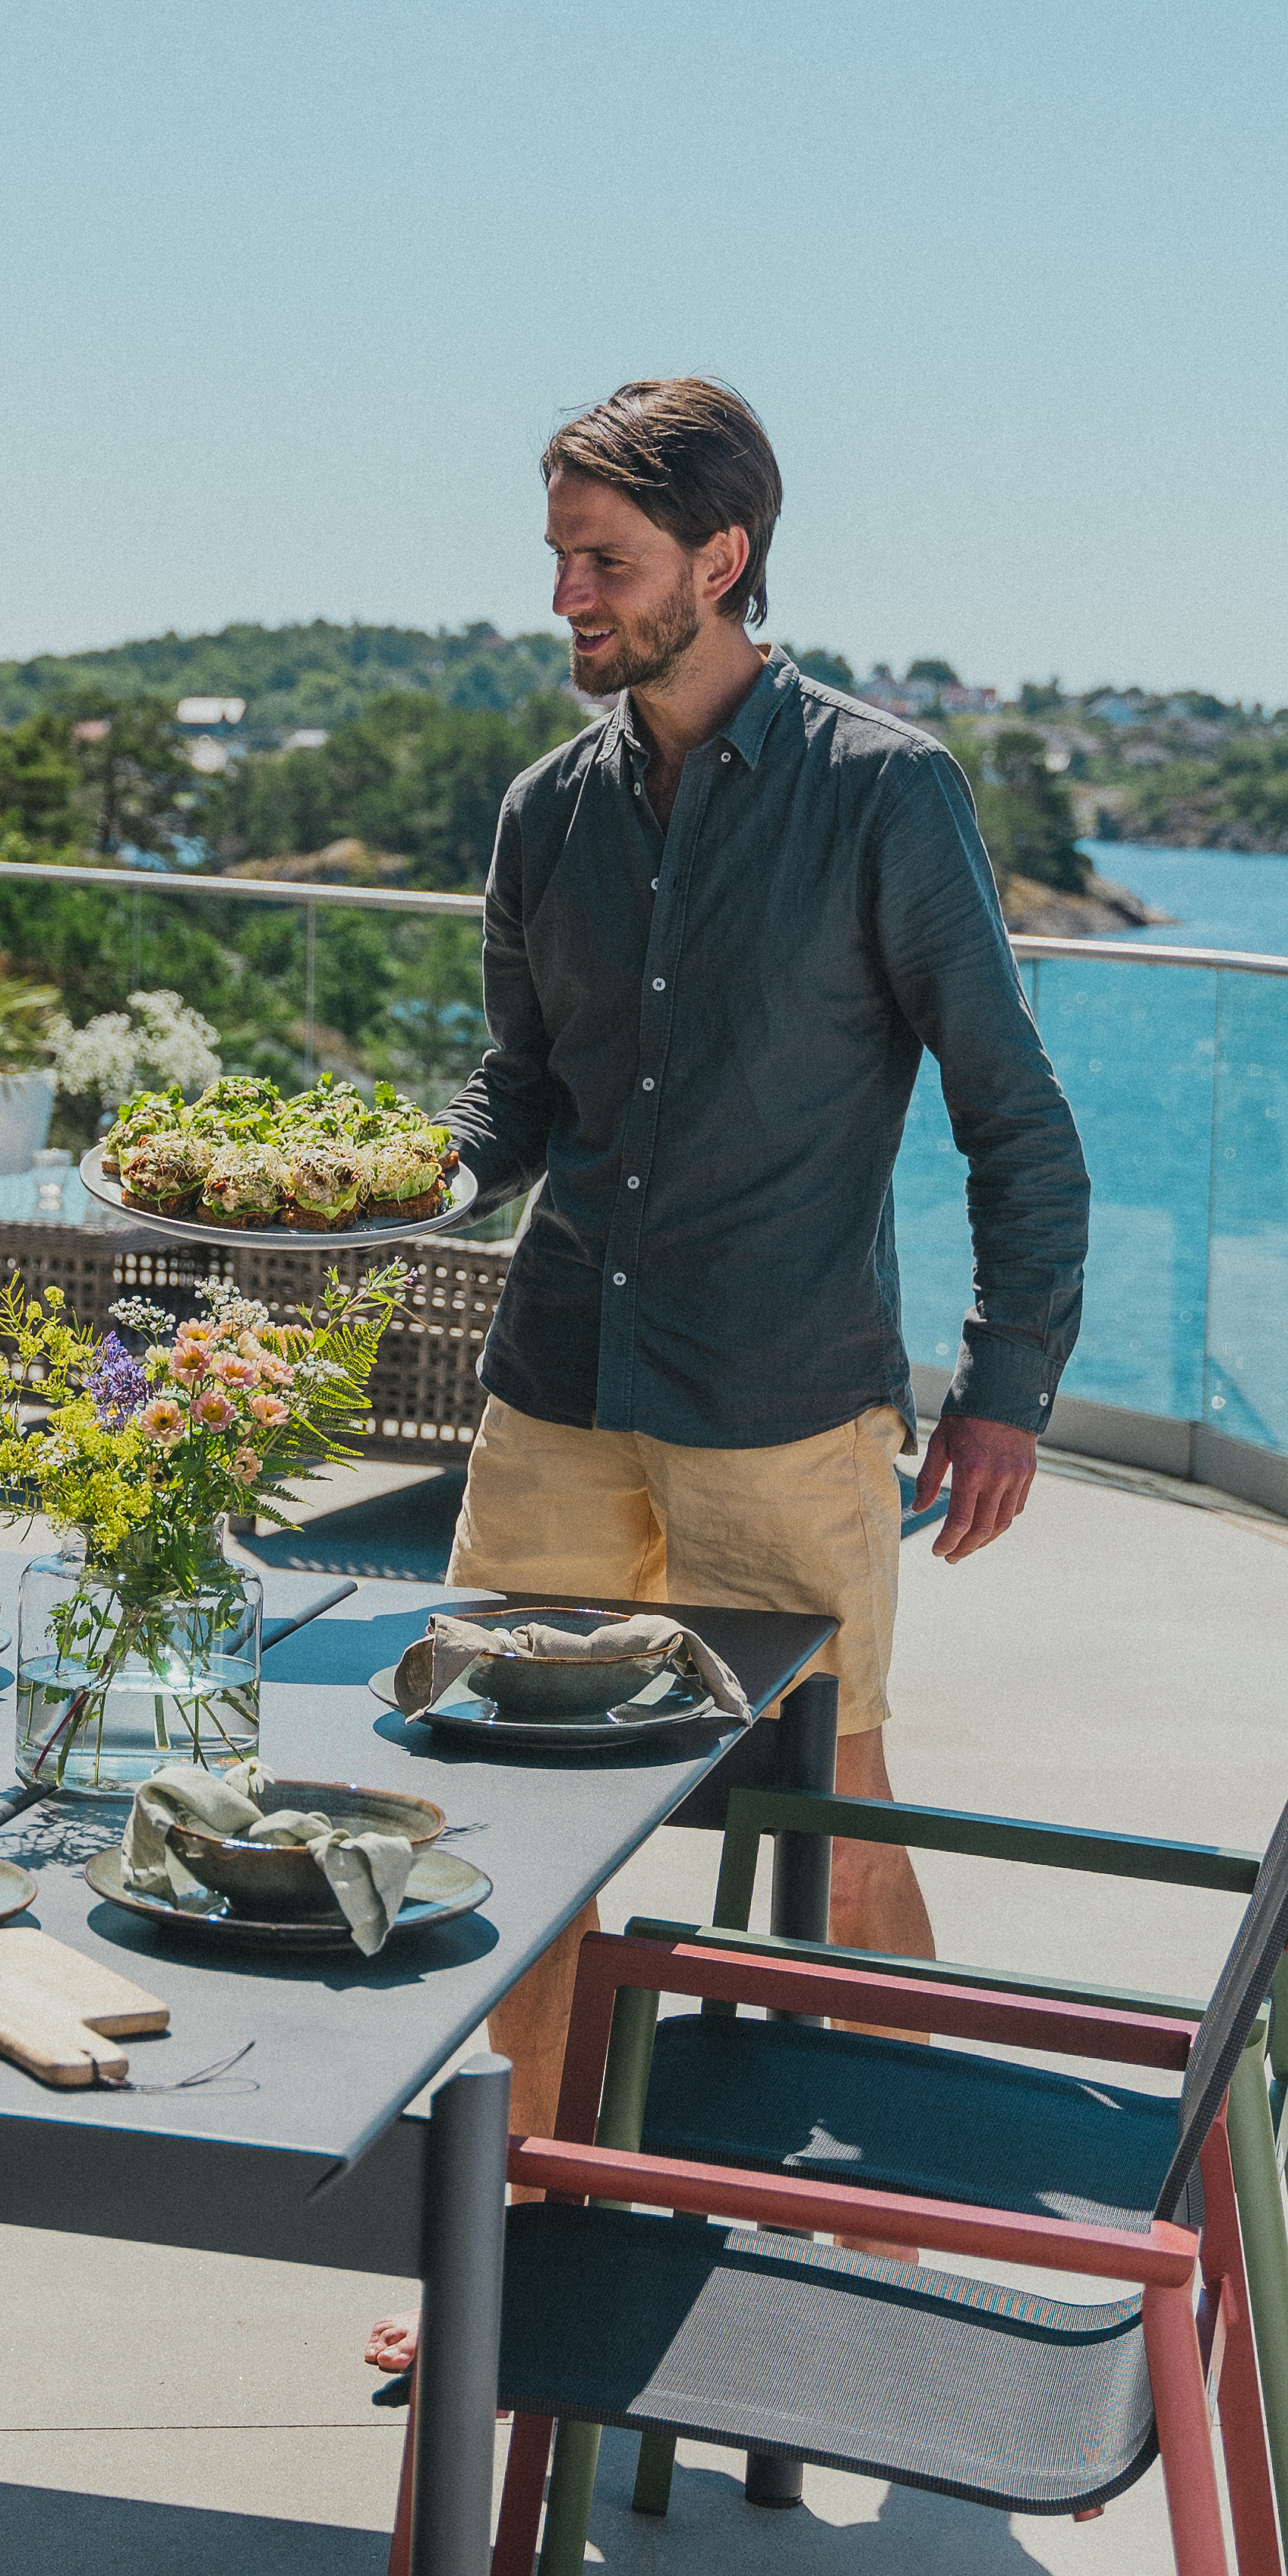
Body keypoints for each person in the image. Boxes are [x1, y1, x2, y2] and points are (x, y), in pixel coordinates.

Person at [440, 375, 1090, 2139]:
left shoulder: (882, 792)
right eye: (559, 557)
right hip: (556, 1383)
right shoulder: (539, 815)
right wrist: (407, 1175)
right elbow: (515, 1086)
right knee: (515, 1808)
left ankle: (884, 2221)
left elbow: (1011, 1109)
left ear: (719, 559)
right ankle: (524, 2232)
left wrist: (1004, 1384)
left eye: (605, 558)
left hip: (780, 1399)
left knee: (827, 1827)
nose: (568, 594)